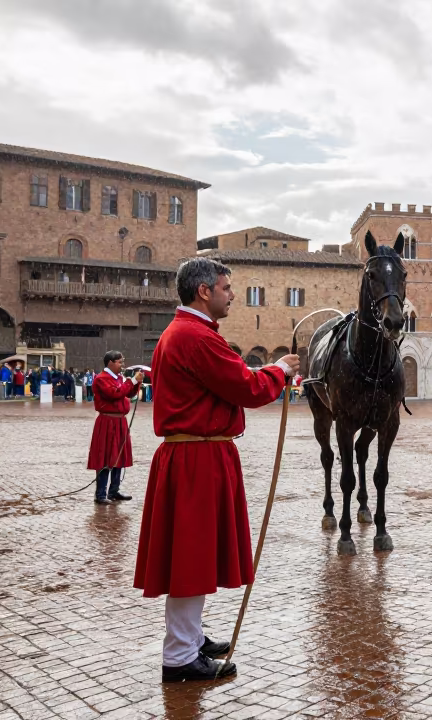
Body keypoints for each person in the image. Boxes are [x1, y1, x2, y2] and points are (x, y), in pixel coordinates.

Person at [134, 257, 299, 682]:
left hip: (196, 455)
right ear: (204, 291)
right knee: (191, 556)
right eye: (226, 288)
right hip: (196, 460)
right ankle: (180, 656)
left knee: (195, 554)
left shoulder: (187, 332)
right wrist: (279, 371)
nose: (231, 296)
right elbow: (246, 387)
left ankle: (189, 637)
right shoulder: (195, 336)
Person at [89, 351, 143, 505]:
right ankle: (100, 494)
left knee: (119, 456)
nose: (122, 364)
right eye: (119, 362)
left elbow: (129, 393)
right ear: (110, 362)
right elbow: (115, 393)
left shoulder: (120, 378)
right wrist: (131, 381)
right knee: (105, 457)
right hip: (107, 421)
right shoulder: (101, 379)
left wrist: (136, 382)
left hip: (120, 422)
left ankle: (114, 491)